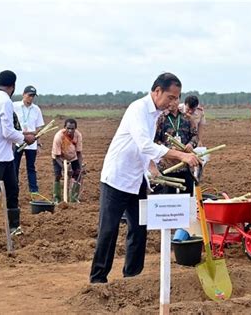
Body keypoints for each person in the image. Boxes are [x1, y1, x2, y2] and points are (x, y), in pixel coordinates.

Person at [89, 72, 201, 284]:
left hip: (137, 179)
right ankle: (98, 279)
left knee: (139, 230)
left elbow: (144, 150)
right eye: (171, 97)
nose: (174, 102)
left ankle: (132, 278)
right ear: (157, 91)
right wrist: (181, 155)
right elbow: (146, 145)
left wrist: (152, 169)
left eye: (177, 98)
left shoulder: (154, 115)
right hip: (116, 178)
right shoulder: (138, 109)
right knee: (109, 230)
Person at [0, 70, 36, 237]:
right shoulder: (4, 101)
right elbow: (8, 132)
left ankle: (14, 227)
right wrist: (26, 138)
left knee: (13, 189)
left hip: (5, 155)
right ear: (13, 86)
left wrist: (22, 137)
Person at [154, 97, 198, 194]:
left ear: (178, 100)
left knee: (188, 197)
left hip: (185, 166)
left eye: (172, 100)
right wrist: (168, 149)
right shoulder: (160, 119)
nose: (169, 103)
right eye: (168, 100)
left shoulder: (187, 118)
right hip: (167, 166)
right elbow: (155, 141)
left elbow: (195, 136)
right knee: (169, 199)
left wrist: (191, 144)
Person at [13, 85, 45, 200]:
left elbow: (39, 129)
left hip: (32, 143)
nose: (31, 98)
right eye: (29, 95)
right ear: (23, 94)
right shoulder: (14, 106)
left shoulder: (36, 109)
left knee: (31, 167)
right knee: (14, 167)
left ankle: (34, 191)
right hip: (18, 141)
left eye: (33, 96)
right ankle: (13, 189)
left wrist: (38, 143)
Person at [51, 118, 83, 204]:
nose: (70, 130)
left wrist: (80, 167)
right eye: (68, 128)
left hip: (73, 158)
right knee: (58, 176)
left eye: (72, 128)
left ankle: (73, 198)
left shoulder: (78, 135)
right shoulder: (59, 136)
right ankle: (57, 198)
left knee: (77, 175)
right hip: (59, 158)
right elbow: (57, 156)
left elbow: (79, 153)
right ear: (64, 127)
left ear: (75, 128)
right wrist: (65, 169)